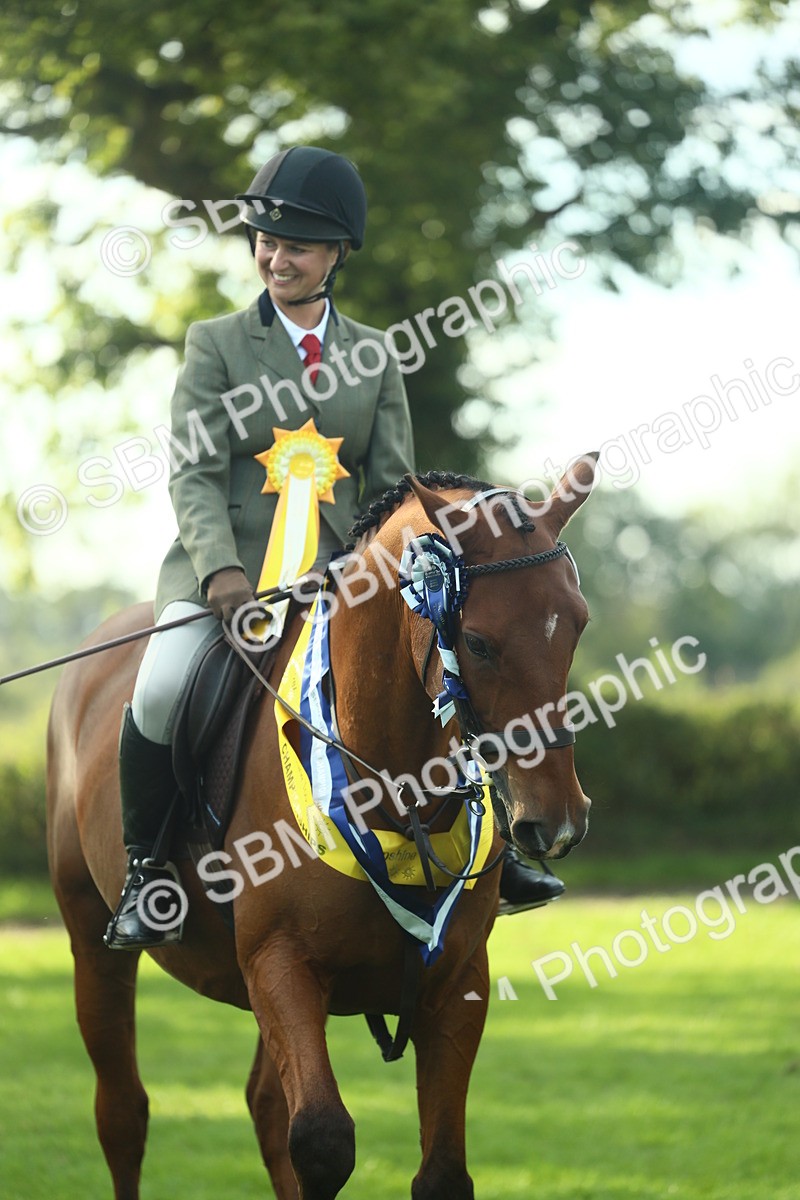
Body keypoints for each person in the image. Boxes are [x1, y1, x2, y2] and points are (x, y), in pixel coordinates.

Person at [104, 146, 562, 951]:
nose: (277, 258)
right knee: (161, 688)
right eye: (266, 242)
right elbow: (196, 473)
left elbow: (393, 496)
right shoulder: (214, 345)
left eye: (298, 247)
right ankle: (148, 872)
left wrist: (383, 576)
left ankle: (494, 855)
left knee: (450, 679)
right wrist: (223, 573)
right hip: (226, 585)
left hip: (339, 590)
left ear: (335, 256)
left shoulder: (376, 355)